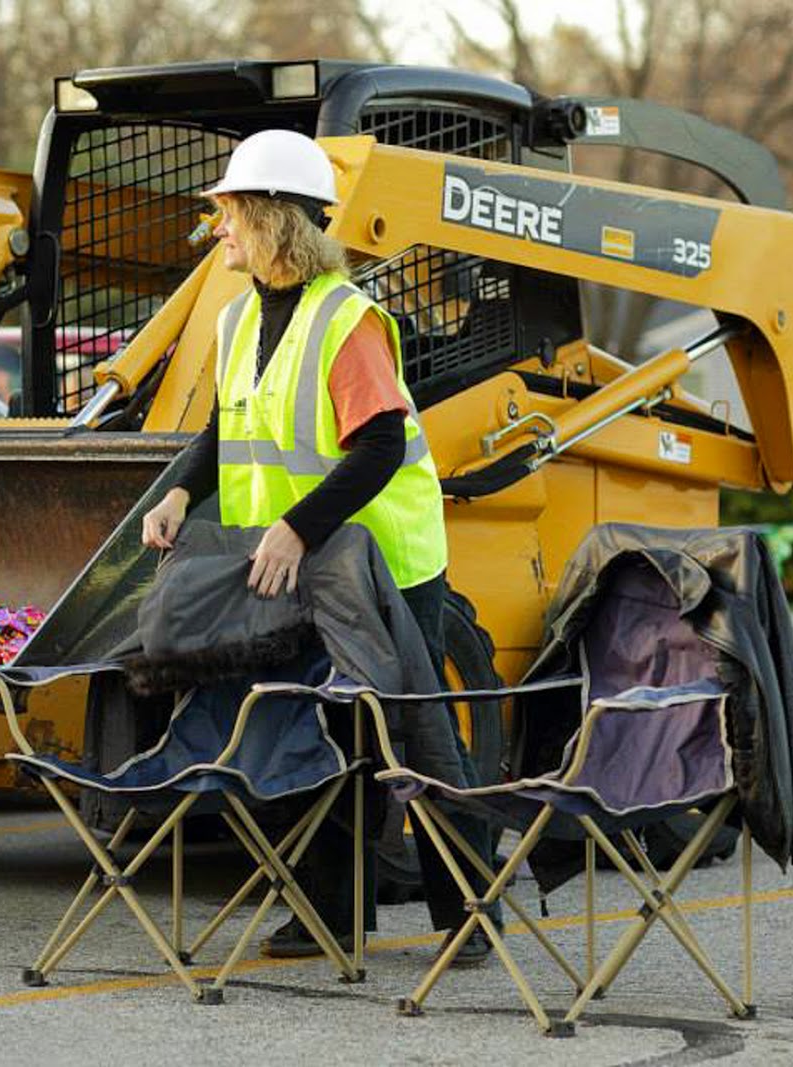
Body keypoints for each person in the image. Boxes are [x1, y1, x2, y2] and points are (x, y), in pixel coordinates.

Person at [139, 128, 499, 965]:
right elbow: (226, 428)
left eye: (227, 213)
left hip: (389, 564)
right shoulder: (236, 321)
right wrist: (182, 488)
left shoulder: (348, 320)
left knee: (413, 736)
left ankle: (471, 914)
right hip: (298, 568)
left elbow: (377, 446)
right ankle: (331, 913)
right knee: (322, 729)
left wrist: (299, 526)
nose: (218, 228)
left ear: (269, 219)